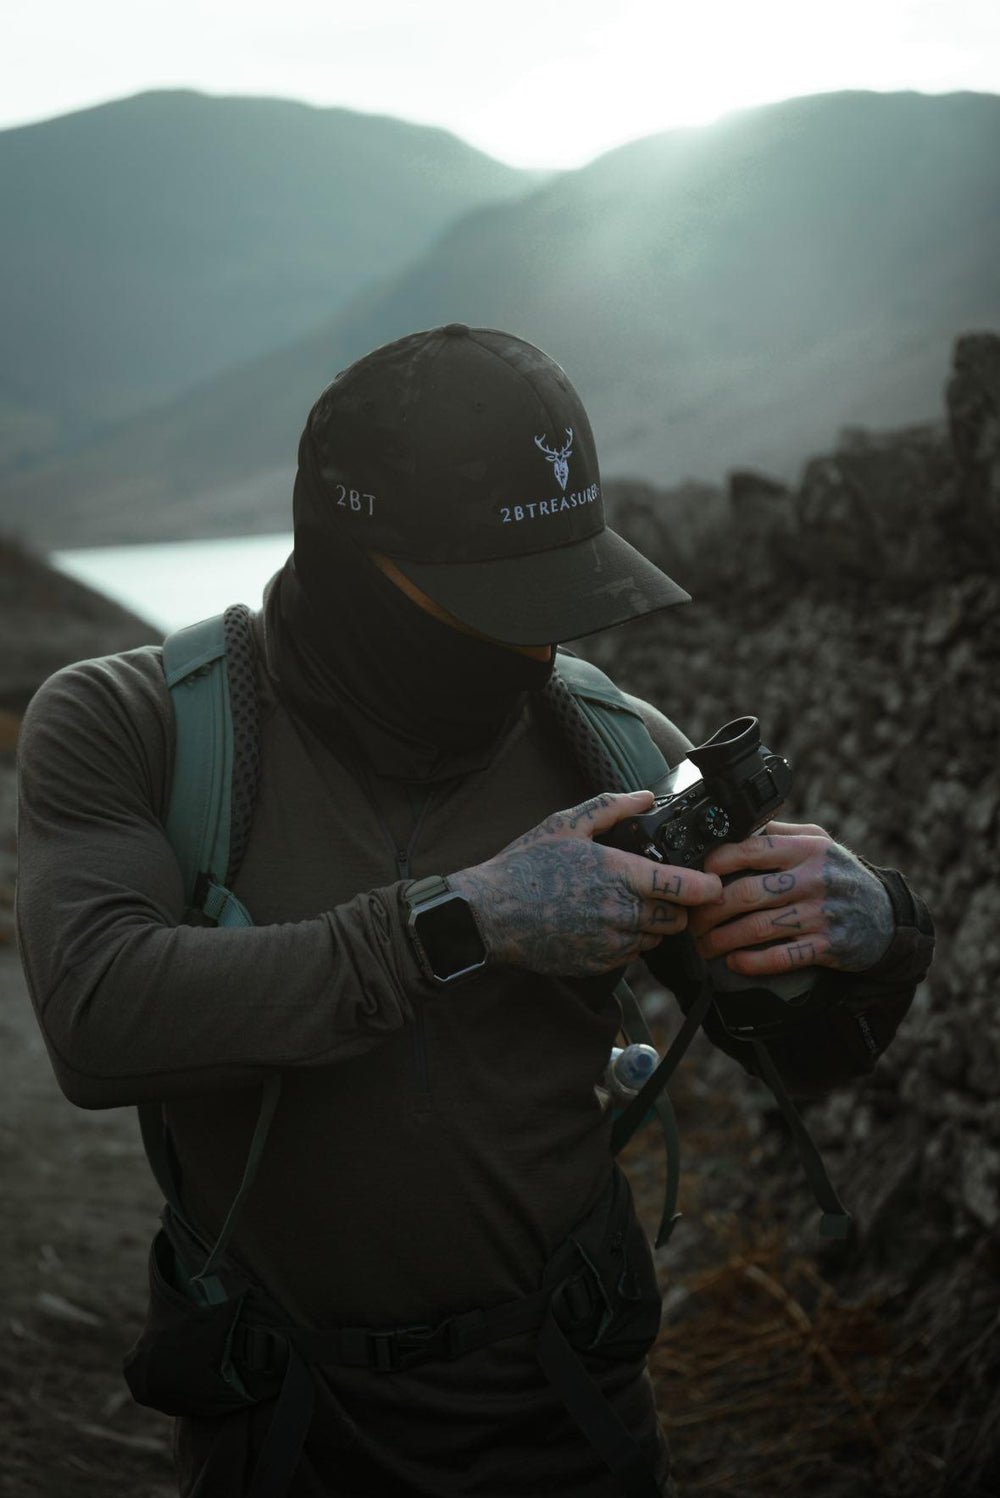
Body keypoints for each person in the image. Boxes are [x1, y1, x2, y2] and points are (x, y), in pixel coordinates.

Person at [16, 323, 934, 1498]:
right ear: (348, 554)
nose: (537, 642)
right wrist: (468, 920)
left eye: (558, 597)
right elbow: (99, 1021)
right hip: (282, 1429)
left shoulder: (605, 736)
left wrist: (869, 935)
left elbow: (798, 1057)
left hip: (573, 1414)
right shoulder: (134, 725)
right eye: (493, 600)